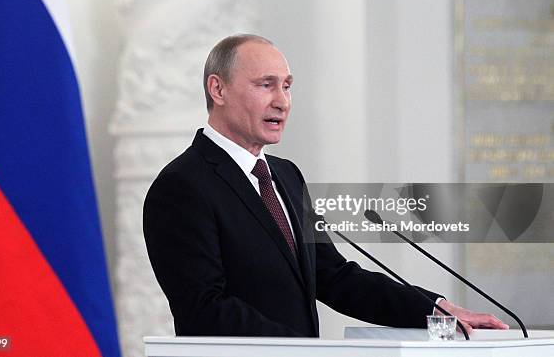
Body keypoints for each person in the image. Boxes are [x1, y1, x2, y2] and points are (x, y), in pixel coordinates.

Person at [143, 34, 508, 336]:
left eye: (287, 86)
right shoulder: (182, 186)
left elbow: (333, 276)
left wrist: (436, 311)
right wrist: (306, 350)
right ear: (217, 89)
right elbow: (204, 309)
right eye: (265, 85)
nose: (282, 101)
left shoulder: (285, 176)